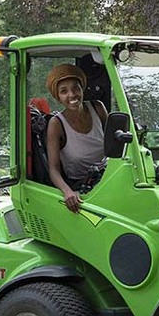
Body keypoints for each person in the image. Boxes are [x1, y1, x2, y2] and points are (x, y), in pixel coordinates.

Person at [45, 63, 108, 212]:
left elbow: (117, 144)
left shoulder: (98, 108)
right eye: (64, 91)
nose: (72, 95)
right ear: (58, 97)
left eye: (75, 88)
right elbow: (53, 169)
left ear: (82, 88)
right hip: (81, 189)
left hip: (107, 179)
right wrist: (67, 192)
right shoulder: (56, 124)